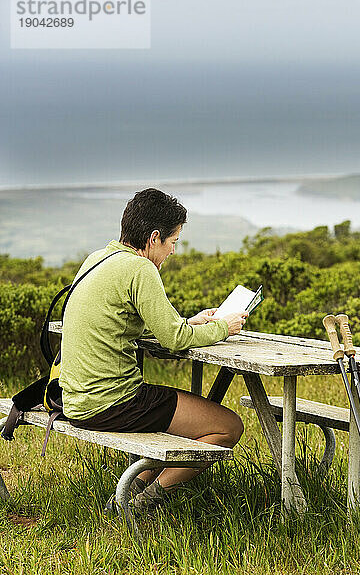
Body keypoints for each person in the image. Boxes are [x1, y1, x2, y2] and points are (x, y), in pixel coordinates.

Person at [58, 188, 247, 511]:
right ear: (154, 237)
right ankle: (142, 502)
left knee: (190, 421)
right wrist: (222, 327)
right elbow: (174, 340)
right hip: (113, 403)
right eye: (173, 242)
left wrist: (191, 323)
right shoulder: (140, 268)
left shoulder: (97, 258)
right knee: (227, 427)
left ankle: (126, 493)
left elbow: (134, 322)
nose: (173, 252)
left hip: (74, 399)